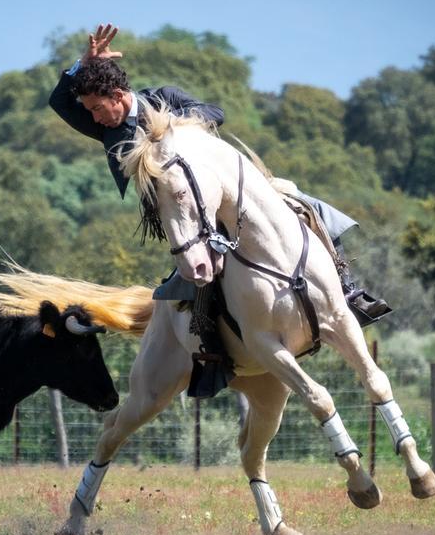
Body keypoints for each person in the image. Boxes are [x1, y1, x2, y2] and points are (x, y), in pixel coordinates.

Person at [48, 24, 390, 325]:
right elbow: (59, 102)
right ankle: (207, 338)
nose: (92, 117)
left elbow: (216, 112)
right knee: (190, 274)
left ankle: (347, 290)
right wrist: (84, 63)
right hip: (182, 215)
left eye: (95, 108)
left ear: (118, 96)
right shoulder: (109, 132)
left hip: (227, 187)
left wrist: (174, 128)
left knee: (308, 207)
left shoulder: (163, 97)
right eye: (90, 110)